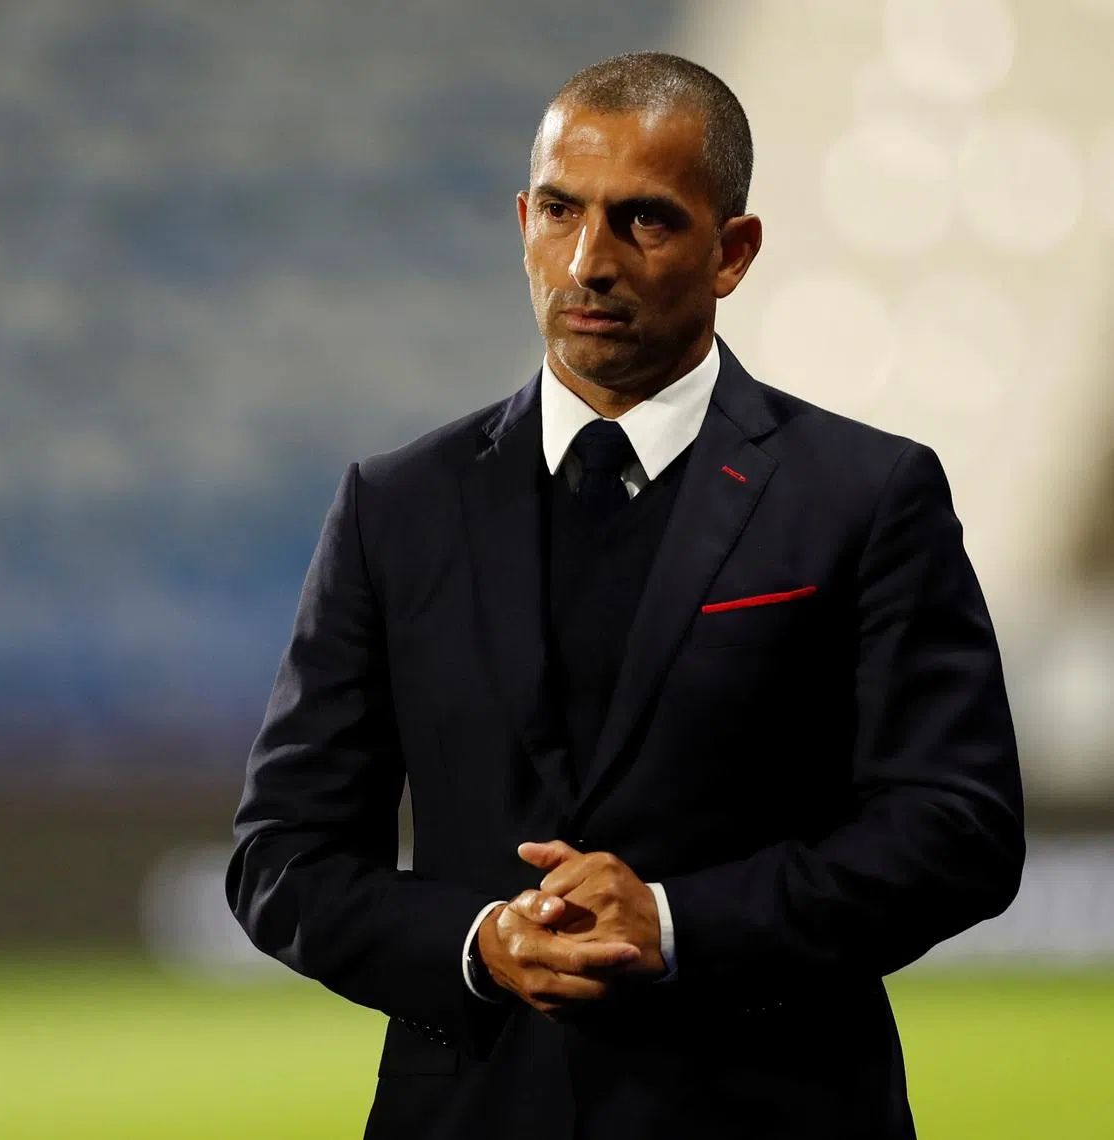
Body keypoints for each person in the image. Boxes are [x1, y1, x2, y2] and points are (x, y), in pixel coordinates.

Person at [226, 52, 1024, 1140]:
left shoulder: (867, 494)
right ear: (521, 220)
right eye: (561, 211)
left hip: (773, 1111)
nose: (589, 261)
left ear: (733, 251)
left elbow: (956, 829)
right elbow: (282, 854)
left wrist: (678, 923)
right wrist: (477, 942)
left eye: (644, 221)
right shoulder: (395, 506)